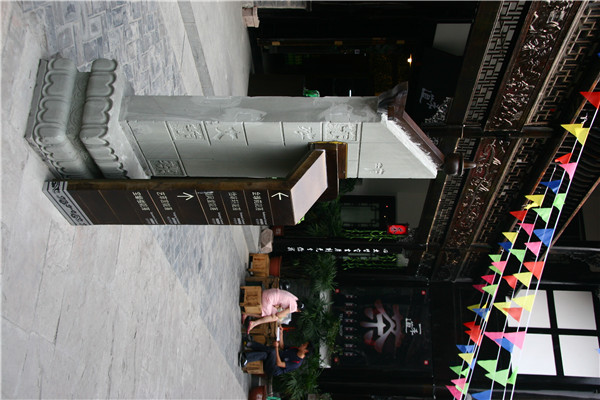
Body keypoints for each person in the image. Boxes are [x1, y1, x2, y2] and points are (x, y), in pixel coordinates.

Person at [239, 326, 311, 376]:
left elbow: (279, 364)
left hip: (273, 368)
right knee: (265, 354)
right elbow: (282, 346)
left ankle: (249, 344)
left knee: (272, 350)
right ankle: (246, 357)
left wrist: (276, 348)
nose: (302, 344)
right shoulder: (295, 349)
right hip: (272, 358)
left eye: (304, 345)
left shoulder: (297, 363)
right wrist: (281, 333)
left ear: (306, 351)